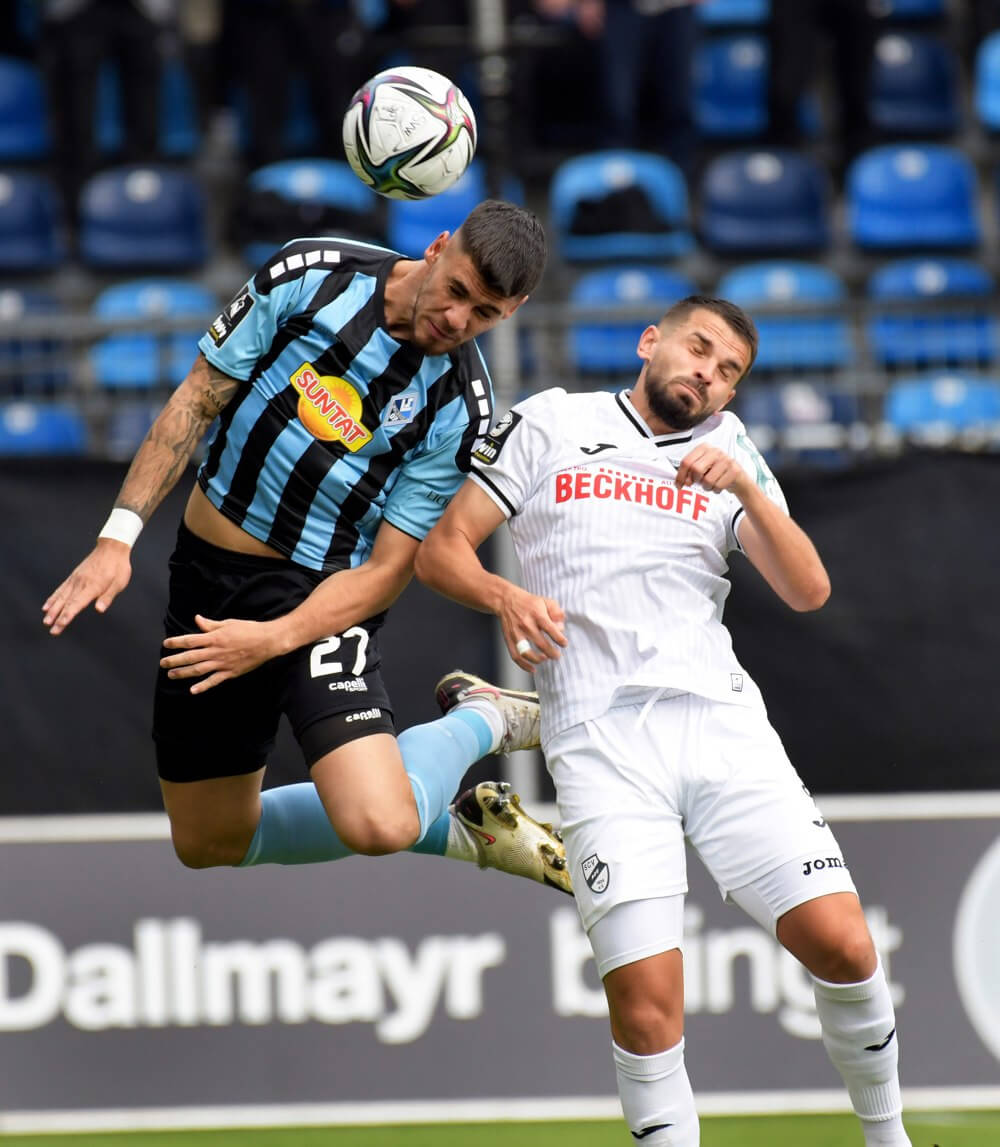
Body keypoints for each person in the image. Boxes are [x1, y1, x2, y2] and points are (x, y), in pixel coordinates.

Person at [416, 296, 911, 1146]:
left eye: (728, 372)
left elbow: (808, 590)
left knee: (845, 946)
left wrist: (750, 491)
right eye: (698, 349)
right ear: (653, 341)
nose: (707, 374)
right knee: (649, 1012)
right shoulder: (553, 421)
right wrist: (505, 595)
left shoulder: (731, 453)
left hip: (721, 728)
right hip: (601, 743)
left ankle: (888, 1137)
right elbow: (441, 548)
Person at [42, 199, 571, 897]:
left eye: (486, 315)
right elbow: (199, 398)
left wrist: (273, 638)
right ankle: (465, 828)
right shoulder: (312, 272)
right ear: (439, 247)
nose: (457, 320)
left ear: (515, 310)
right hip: (209, 578)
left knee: (379, 822)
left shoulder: (461, 406)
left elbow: (388, 570)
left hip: (320, 595)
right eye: (458, 292)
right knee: (209, 841)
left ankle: (483, 717)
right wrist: (117, 538)